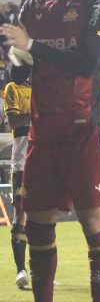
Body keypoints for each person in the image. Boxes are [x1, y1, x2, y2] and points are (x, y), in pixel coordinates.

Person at [0, 0, 100, 302]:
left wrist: (33, 44)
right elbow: (22, 70)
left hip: (84, 128)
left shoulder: (98, 4)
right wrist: (15, 54)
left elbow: (86, 62)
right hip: (43, 132)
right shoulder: (33, 6)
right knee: (38, 225)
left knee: (92, 221)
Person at [3, 71, 32, 289]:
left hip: (42, 163)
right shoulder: (12, 88)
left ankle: (40, 268)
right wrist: (40, 113)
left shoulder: (40, 90)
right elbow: (13, 120)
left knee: (42, 216)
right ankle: (21, 270)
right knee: (20, 213)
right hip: (22, 165)